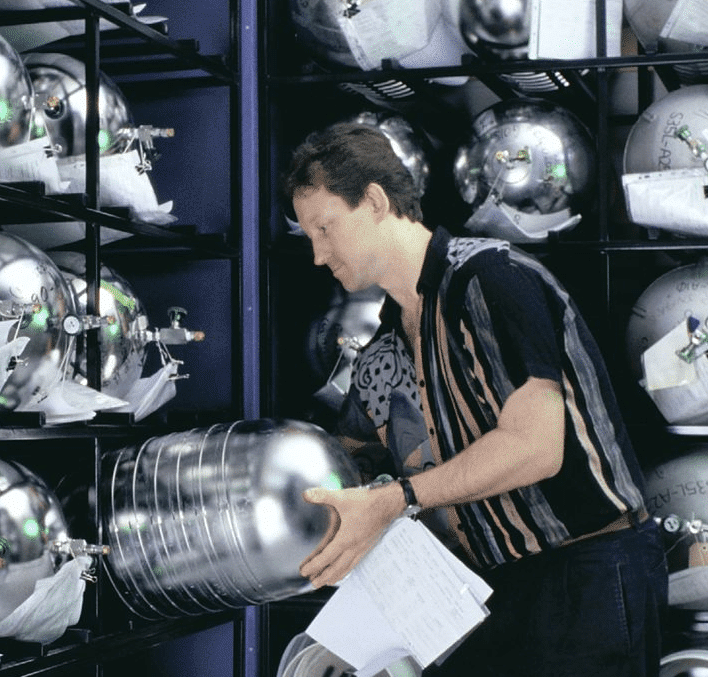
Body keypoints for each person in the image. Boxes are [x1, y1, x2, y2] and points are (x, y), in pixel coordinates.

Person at [283, 122, 666, 677]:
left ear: (374, 202)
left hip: (587, 574)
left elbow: (536, 448)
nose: (318, 256)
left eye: (325, 228)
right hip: (487, 591)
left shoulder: (488, 277)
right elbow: (351, 457)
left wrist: (395, 499)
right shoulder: (382, 351)